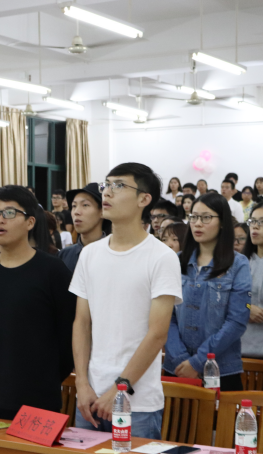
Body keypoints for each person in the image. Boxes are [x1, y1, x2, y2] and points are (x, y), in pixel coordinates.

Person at [71, 163, 182, 440]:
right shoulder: (90, 254)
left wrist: (119, 389)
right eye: (106, 185)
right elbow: (82, 323)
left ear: (144, 199)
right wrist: (82, 383)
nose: (107, 192)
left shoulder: (161, 257)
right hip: (90, 397)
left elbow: (157, 334)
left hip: (137, 403)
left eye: (118, 186)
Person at [0, 185, 76, 419]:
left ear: (30, 222)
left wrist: (47, 377)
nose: (0, 220)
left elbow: (67, 334)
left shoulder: (53, 270)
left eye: (9, 213)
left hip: (38, 396)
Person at [164, 193, 251, 391]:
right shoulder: (176, 261)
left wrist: (198, 362)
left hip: (221, 369)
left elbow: (236, 321)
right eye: (194, 217)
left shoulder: (238, 264)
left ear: (222, 223)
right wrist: (181, 359)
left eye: (206, 217)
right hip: (177, 368)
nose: (197, 223)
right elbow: (166, 317)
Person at [58, 183, 109, 273]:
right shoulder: (64, 255)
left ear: (102, 211)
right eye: (74, 206)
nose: (76, 212)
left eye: (85, 205)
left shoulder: (113, 254)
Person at [241, 203, 263, 358]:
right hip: (241, 349)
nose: (255, 226)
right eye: (253, 221)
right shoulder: (239, 263)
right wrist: (247, 308)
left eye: (261, 222)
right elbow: (224, 299)